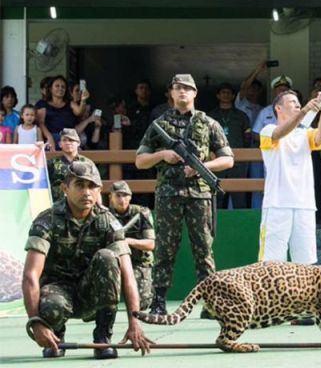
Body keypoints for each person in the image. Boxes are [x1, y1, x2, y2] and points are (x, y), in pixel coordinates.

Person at [22, 162, 152, 359]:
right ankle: (56, 336)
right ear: (65, 188)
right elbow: (31, 275)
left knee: (107, 257)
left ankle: (102, 338)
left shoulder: (108, 221)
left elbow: (127, 273)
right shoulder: (47, 221)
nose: (87, 192)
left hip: (91, 293)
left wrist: (135, 322)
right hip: (58, 291)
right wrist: (36, 322)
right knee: (52, 306)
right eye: (80, 185)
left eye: (92, 186)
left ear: (100, 190)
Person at [135, 74, 234, 317]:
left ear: (195, 93)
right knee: (165, 249)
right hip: (169, 194)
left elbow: (228, 158)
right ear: (171, 92)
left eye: (187, 89)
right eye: (178, 88)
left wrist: (203, 166)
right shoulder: (159, 123)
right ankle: (159, 300)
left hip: (199, 195)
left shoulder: (208, 123)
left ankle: (210, 301)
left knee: (204, 248)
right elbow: (140, 161)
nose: (182, 92)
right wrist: (162, 155)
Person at [258, 89, 321, 264]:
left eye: (299, 102)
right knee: (272, 262)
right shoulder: (268, 130)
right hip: (277, 205)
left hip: (304, 205)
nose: (297, 105)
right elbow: (280, 134)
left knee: (305, 261)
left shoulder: (305, 134)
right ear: (278, 108)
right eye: (292, 102)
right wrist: (305, 111)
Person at [108, 180, 155, 311]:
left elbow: (151, 244)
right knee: (103, 306)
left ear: (130, 196)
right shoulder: (105, 216)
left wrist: (128, 241)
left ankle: (150, 290)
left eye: (125, 195)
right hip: (114, 264)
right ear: (110, 197)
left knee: (142, 304)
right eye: (118, 195)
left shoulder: (141, 213)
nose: (122, 199)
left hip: (138, 262)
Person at [251, 75, 293, 209]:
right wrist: (271, 138)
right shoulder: (265, 112)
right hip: (271, 155)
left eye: (285, 90)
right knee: (269, 187)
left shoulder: (295, 111)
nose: (281, 93)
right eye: (279, 90)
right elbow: (255, 134)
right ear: (275, 92)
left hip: (290, 154)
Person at [208, 82, 252, 209]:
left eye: (229, 93)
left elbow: (248, 138)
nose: (226, 95)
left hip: (237, 161)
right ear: (218, 95)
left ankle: (241, 226)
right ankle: (216, 225)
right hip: (217, 159)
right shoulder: (210, 115)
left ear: (233, 96)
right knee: (217, 196)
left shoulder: (241, 115)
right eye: (223, 92)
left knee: (239, 196)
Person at [37, 76, 89, 149]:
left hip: (69, 137)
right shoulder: (43, 103)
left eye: (63, 87)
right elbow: (40, 123)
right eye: (57, 86)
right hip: (52, 137)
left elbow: (79, 112)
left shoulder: (70, 103)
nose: (60, 88)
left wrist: (83, 100)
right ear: (50, 89)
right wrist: (49, 137)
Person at [47, 128, 97, 203]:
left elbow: (96, 185)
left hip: (80, 204)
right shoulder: (52, 163)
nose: (68, 143)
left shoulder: (87, 163)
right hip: (58, 206)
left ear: (78, 143)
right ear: (60, 144)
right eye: (64, 140)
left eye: (71, 140)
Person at [237, 62, 268, 126]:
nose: (253, 90)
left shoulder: (262, 109)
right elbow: (244, 86)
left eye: (256, 88)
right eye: (251, 88)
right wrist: (258, 70)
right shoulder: (241, 103)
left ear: (260, 91)